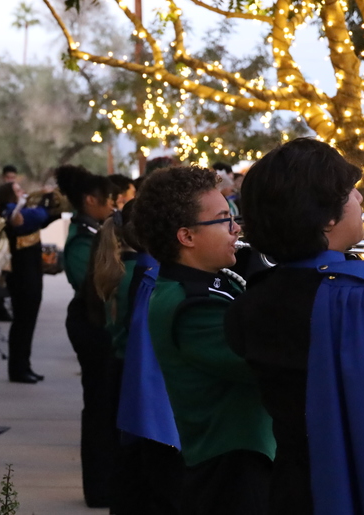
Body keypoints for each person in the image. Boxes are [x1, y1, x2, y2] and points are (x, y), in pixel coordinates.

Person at [226, 138, 364, 515]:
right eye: (349, 190)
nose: (358, 197)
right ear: (327, 219)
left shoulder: (252, 298)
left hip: (292, 484)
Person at [133, 165, 274, 515]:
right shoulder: (189, 305)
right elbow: (268, 361)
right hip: (230, 471)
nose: (236, 228)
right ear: (187, 237)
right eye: (225, 219)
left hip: (242, 461)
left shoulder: (213, 281)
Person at [94, 200, 182, 515]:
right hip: (136, 373)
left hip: (121, 364)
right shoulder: (147, 277)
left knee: (129, 462)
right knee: (143, 470)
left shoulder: (124, 268)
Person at [56, 164, 118, 508]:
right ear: (89, 200)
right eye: (107, 200)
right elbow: (94, 285)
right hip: (91, 328)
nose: (112, 206)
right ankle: (98, 487)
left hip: (96, 327)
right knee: (98, 409)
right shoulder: (83, 238)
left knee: (105, 408)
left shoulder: (95, 231)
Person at [0, 180, 58, 383]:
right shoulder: (10, 210)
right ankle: (18, 368)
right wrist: (44, 205)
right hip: (21, 275)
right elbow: (35, 217)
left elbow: (43, 219)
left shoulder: (21, 209)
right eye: (17, 190)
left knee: (28, 322)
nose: (23, 192)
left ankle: (25, 365)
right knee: (22, 322)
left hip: (31, 272)